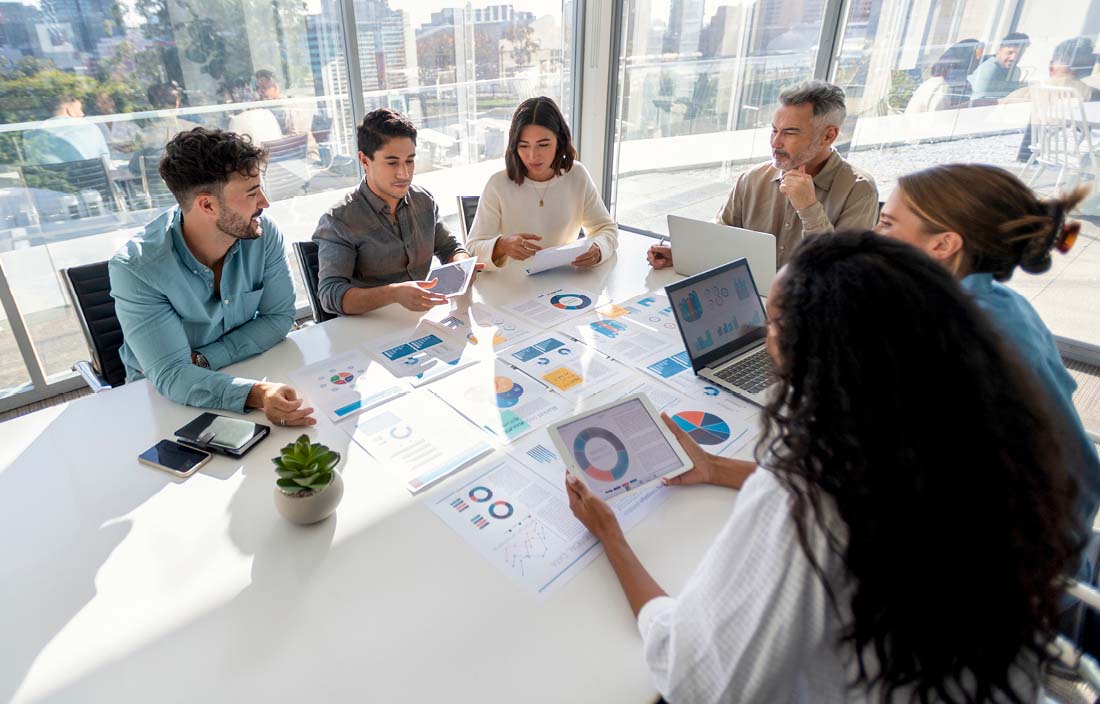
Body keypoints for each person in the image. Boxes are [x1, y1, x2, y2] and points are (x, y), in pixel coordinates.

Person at [568, 231, 1079, 702]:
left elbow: (695, 678)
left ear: (822, 353)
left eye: (772, 323)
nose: (762, 335)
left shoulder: (805, 494)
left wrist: (610, 535)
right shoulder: (966, 436)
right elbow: (866, 495)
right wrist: (718, 469)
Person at [874, 164, 1099, 544]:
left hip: (1015, 561)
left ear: (943, 244)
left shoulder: (953, 332)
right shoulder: (1001, 302)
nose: (873, 235)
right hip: (1063, 520)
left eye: (887, 224)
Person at [109, 127, 315, 427]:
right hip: (158, 399)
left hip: (247, 368)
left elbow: (279, 317)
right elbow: (172, 375)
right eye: (252, 193)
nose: (265, 202)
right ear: (207, 204)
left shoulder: (263, 233)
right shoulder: (136, 269)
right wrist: (257, 393)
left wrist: (206, 359)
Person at [646, 80, 878, 270]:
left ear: (828, 136)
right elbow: (720, 233)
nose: (776, 142)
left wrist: (809, 208)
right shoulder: (753, 178)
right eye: (774, 130)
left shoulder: (859, 190)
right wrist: (684, 254)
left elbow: (842, 272)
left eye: (789, 132)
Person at [312, 108, 474, 315]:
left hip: (421, 318)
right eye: (392, 162)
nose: (404, 173)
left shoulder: (424, 200)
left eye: (409, 160)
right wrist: (393, 293)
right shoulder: (339, 220)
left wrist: (461, 265)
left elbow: (450, 247)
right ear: (364, 161)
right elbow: (330, 295)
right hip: (370, 327)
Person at [465, 96, 617, 270]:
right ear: (514, 146)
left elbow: (606, 229)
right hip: (512, 286)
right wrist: (501, 246)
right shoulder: (498, 184)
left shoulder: (577, 175)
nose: (533, 155)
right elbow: (471, 250)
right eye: (524, 146)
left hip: (562, 280)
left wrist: (598, 249)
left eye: (543, 145)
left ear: (559, 142)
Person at [22, 94, 111, 164]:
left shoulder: (31, 135)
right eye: (79, 109)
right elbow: (105, 159)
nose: (82, 113)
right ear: (69, 111)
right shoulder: (90, 128)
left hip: (51, 186)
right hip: (92, 183)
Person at [254, 68, 319, 161]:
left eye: (264, 88)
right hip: (283, 155)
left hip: (304, 157)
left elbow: (295, 139)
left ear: (275, 87)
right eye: (258, 88)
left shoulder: (290, 107)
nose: (260, 92)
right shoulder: (268, 106)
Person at [905, 39, 984, 113]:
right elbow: (937, 117)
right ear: (966, 60)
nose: (979, 63)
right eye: (976, 58)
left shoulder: (935, 83)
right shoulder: (941, 87)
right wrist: (974, 104)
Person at [968, 32, 1030, 102]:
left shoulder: (1016, 71)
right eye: (1010, 52)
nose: (1013, 58)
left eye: (1019, 54)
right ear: (998, 51)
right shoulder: (989, 70)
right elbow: (976, 102)